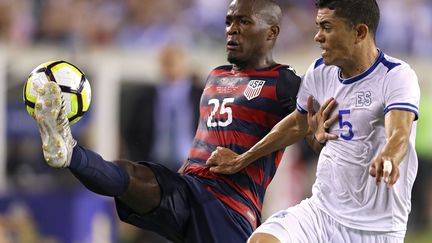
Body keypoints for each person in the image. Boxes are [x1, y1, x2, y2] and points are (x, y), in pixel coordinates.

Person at [31, 0, 306, 242]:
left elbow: (308, 123)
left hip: (230, 207)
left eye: (244, 21)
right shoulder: (216, 76)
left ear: (272, 32)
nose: (231, 29)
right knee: (131, 175)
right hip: (188, 186)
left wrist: (242, 159)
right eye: (228, 21)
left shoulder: (283, 81)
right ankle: (69, 152)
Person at [206, 0, 420, 242]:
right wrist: (242, 159)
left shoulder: (396, 76)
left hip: (376, 229)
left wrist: (389, 155)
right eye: (318, 26)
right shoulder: (320, 72)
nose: (318, 37)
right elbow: (298, 123)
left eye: (327, 27)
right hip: (321, 213)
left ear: (359, 32)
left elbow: (399, 132)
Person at [123, 45, 202, 172]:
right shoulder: (145, 97)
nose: (170, 67)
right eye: (166, 63)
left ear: (184, 63)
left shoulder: (200, 95)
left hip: (191, 165)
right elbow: (132, 132)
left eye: (173, 62)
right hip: (155, 163)